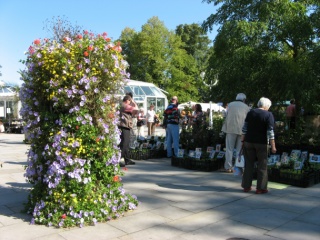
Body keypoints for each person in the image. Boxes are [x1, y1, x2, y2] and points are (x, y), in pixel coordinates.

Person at [241, 97, 276, 194]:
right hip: (262, 143)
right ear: (266, 106)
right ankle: (260, 188)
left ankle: (246, 186)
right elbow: (270, 132)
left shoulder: (250, 113)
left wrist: (242, 140)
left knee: (248, 164)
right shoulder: (269, 115)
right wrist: (273, 146)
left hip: (248, 141)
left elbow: (244, 128)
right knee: (262, 165)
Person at [221, 93, 250, 173]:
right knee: (239, 150)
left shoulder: (230, 104)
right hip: (242, 130)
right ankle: (237, 167)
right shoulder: (246, 107)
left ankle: (228, 167)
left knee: (229, 149)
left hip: (230, 128)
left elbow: (226, 115)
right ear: (244, 99)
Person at [119, 95, 138, 166]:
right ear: (127, 100)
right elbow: (136, 109)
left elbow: (135, 113)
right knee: (125, 143)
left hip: (125, 126)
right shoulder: (125, 105)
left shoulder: (123, 105)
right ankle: (118, 159)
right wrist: (134, 102)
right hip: (124, 126)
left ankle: (127, 159)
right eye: (130, 101)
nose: (130, 103)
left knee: (126, 143)